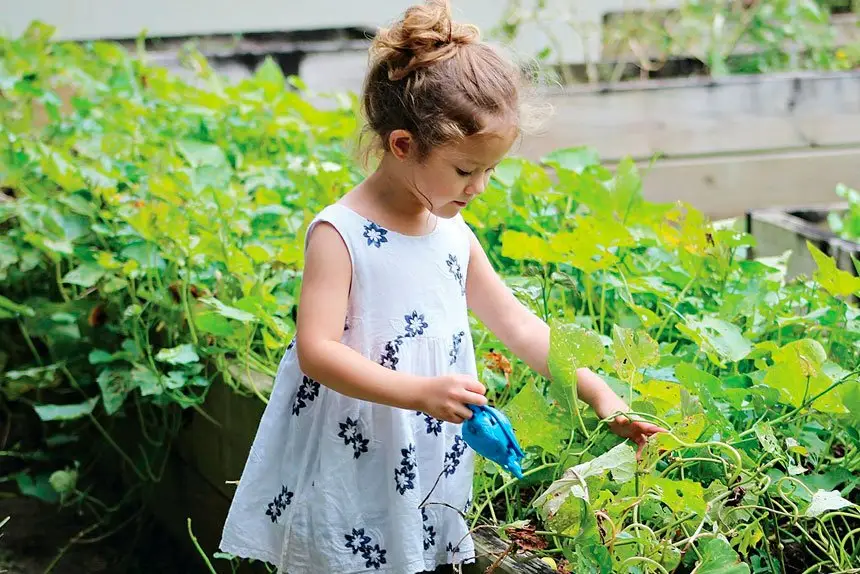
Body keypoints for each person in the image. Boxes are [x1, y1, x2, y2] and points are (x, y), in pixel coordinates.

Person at [219, 1, 664, 572]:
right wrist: (420, 393)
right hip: (356, 445)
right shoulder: (341, 234)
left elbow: (518, 326)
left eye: (489, 171)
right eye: (464, 170)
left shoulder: (452, 233)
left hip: (424, 450)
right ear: (403, 145)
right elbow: (317, 351)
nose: (479, 187)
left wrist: (601, 396)